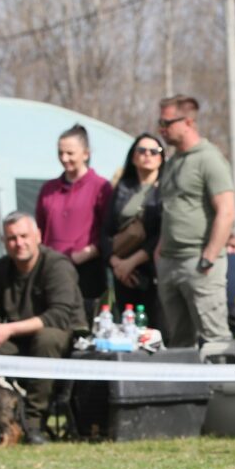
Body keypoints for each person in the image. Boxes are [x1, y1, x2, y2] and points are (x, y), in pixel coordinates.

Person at [0, 213, 87, 445]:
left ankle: (34, 423)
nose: (19, 243)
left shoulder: (57, 265)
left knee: (46, 339)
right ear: (4, 242)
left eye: (24, 236)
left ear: (37, 236)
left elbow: (58, 314)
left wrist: (7, 330)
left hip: (59, 335)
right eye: (12, 238)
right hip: (18, 339)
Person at [156, 95, 235, 348]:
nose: (161, 129)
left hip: (200, 264)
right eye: (160, 122)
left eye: (166, 122)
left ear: (188, 121)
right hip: (170, 262)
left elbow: (226, 210)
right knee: (178, 342)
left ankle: (220, 389)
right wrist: (160, 252)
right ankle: (187, 390)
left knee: (215, 340)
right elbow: (170, 210)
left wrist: (209, 257)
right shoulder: (172, 162)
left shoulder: (208, 158)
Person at [35, 124, 112, 319]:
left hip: (87, 269)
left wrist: (90, 251)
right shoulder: (48, 189)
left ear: (85, 154)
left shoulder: (101, 187)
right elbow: (40, 229)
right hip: (52, 268)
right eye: (60, 153)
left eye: (70, 153)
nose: (64, 158)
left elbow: (109, 229)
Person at [103, 133, 165, 333]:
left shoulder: (167, 189)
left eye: (154, 151)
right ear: (133, 156)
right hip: (122, 273)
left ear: (161, 158)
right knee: (128, 329)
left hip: (153, 270)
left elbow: (163, 232)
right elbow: (106, 229)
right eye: (141, 150)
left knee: (156, 329)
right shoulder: (122, 188)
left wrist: (134, 261)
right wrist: (117, 264)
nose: (147, 155)